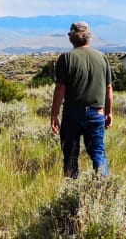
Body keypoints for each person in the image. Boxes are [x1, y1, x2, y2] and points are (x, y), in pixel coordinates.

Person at [48, 21, 113, 178]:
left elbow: (60, 88)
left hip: (72, 113)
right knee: (98, 153)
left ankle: (72, 188)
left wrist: (54, 114)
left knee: (70, 155)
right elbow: (109, 88)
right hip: (97, 113)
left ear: (71, 38)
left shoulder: (66, 58)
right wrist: (108, 112)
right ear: (89, 37)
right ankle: (104, 186)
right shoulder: (102, 58)